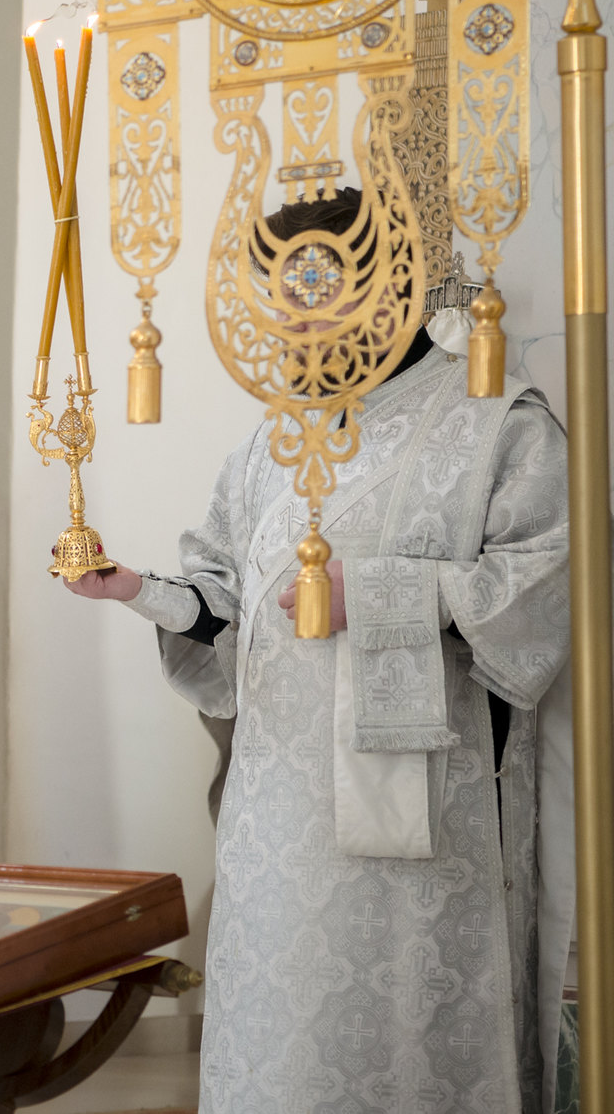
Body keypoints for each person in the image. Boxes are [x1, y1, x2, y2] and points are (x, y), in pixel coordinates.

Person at [63, 189, 574, 1113]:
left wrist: (374, 593)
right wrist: (137, 589)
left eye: (317, 281)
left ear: (390, 281)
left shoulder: (498, 421)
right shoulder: (270, 439)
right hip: (273, 827)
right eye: (283, 289)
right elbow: (223, 603)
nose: (299, 312)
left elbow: (541, 593)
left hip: (421, 833)